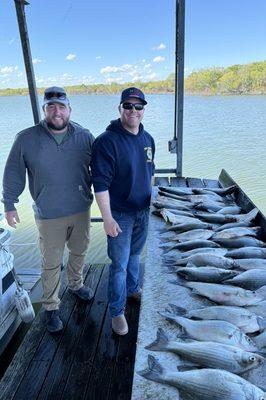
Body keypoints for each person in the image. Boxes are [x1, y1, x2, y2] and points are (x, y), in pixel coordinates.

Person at [2, 86, 95, 333]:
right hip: (48, 214)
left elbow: (102, 170)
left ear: (69, 109)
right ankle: (52, 307)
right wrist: (9, 204)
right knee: (50, 262)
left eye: (61, 106)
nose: (57, 111)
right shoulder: (26, 138)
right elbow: (13, 172)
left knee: (79, 251)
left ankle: (76, 284)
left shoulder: (85, 136)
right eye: (51, 106)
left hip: (80, 209)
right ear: (44, 109)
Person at [91, 87, 155, 335]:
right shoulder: (106, 142)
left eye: (138, 107)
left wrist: (153, 203)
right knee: (118, 264)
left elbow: (150, 173)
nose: (133, 111)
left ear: (143, 110)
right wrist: (107, 218)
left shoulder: (147, 139)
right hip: (119, 215)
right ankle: (117, 312)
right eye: (128, 106)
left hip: (143, 211)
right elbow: (101, 184)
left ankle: (133, 288)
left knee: (135, 256)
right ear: (119, 109)